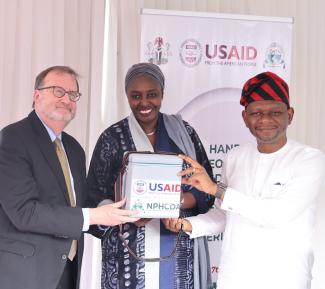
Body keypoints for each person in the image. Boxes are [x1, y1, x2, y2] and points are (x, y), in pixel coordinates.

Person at [167, 71, 325, 289]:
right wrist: (188, 224)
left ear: (290, 115)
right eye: (256, 113)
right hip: (235, 277)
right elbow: (225, 215)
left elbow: (277, 215)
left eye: (275, 112)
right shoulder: (235, 157)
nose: (266, 120)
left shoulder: (310, 159)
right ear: (245, 118)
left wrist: (217, 190)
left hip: (286, 278)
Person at [0, 66, 138, 289]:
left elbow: (78, 207)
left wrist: (115, 209)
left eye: (73, 94)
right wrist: (94, 215)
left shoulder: (74, 149)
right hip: (24, 274)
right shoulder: (13, 139)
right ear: (37, 95)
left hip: (67, 271)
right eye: (58, 91)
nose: (67, 99)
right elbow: (24, 212)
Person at [86, 62, 214, 289]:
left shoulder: (184, 134)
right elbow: (95, 197)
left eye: (152, 95)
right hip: (127, 257)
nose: (144, 103)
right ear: (127, 97)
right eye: (136, 96)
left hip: (177, 250)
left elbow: (206, 189)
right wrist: (124, 213)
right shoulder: (112, 138)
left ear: (162, 94)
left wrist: (177, 200)